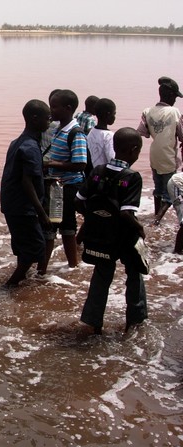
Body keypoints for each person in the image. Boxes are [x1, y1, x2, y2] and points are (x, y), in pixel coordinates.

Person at [76, 127, 147, 334]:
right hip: (124, 236)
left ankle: (93, 321)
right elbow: (126, 214)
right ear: (133, 150)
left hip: (102, 236)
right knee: (135, 274)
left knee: (101, 277)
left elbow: (78, 201)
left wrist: (94, 218)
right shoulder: (132, 177)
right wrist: (140, 229)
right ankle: (134, 322)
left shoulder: (97, 171)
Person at [0, 100, 52, 286]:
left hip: (12, 203)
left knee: (24, 246)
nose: (49, 121)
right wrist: (41, 212)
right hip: (23, 206)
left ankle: (20, 279)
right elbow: (27, 182)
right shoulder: (29, 147)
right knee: (35, 248)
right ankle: (12, 284)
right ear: (34, 119)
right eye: (47, 118)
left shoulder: (18, 142)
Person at [38, 89, 88, 273]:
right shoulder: (59, 129)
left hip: (68, 186)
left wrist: (51, 163)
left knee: (55, 227)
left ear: (68, 108)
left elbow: (80, 164)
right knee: (65, 226)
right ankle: (71, 266)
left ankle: (42, 271)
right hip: (57, 186)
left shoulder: (75, 133)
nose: (51, 110)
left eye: (54, 106)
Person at [137, 76, 183, 218]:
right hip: (168, 155)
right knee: (170, 193)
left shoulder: (147, 111)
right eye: (175, 96)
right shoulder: (174, 112)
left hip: (154, 155)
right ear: (170, 95)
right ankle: (157, 221)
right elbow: (181, 136)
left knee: (158, 189)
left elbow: (141, 132)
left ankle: (157, 213)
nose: (175, 99)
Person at [87, 98, 117, 169]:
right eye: (114, 113)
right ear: (108, 114)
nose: (114, 117)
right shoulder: (109, 136)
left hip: (92, 173)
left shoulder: (91, 132)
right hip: (103, 174)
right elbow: (111, 159)